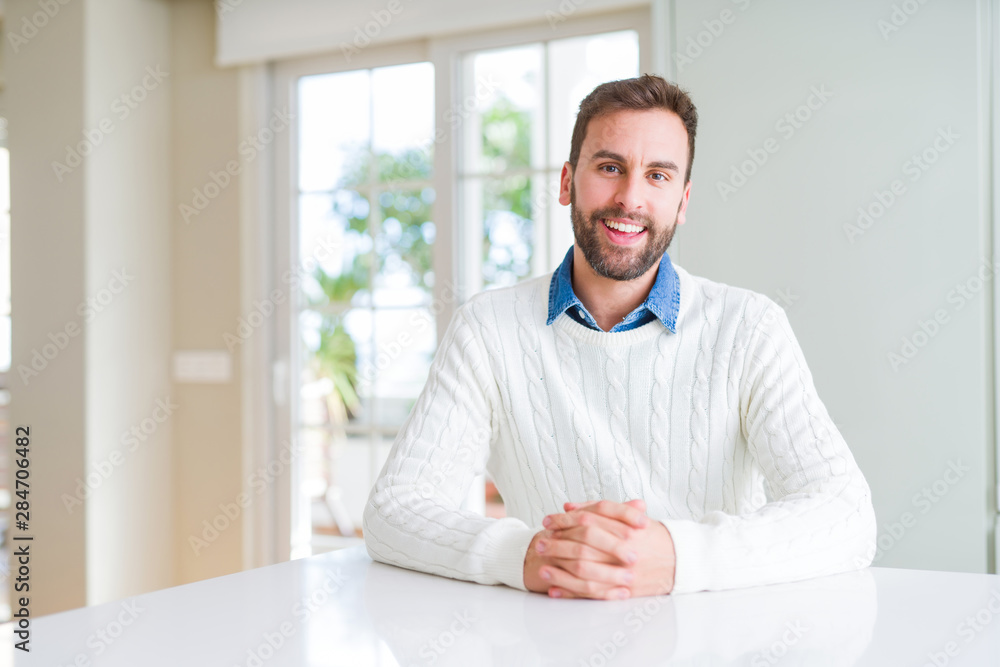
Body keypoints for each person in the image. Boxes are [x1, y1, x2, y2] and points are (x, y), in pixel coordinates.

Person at [362, 74, 876, 600]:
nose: (630, 198)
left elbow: (845, 516)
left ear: (682, 200)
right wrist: (529, 556)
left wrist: (674, 558)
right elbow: (395, 511)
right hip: (553, 640)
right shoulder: (487, 331)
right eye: (610, 167)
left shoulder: (749, 329)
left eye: (658, 175)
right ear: (567, 182)